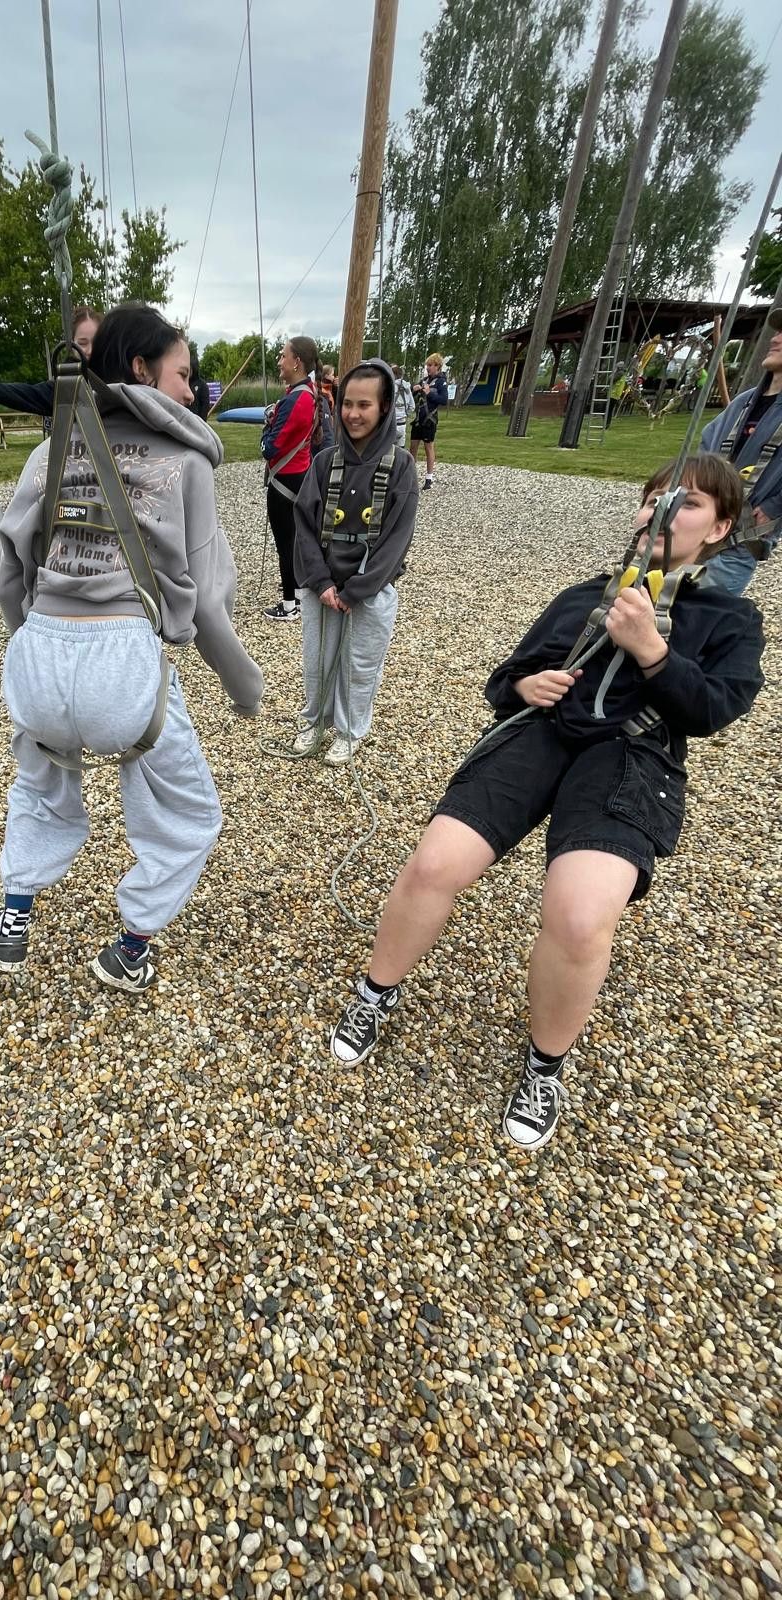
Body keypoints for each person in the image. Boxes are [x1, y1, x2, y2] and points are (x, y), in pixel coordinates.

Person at [326, 451, 763, 1152]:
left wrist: (652, 650)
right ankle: (376, 992)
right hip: (543, 733)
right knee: (434, 865)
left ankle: (544, 1066)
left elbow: (712, 709)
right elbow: (507, 678)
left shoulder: (729, 619)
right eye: (653, 499)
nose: (660, 513)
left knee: (581, 917)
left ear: (719, 528)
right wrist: (524, 687)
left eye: (685, 504)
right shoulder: (584, 596)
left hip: (630, 755)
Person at [0, 304, 263, 993]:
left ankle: (13, 918)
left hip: (38, 654)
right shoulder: (187, 462)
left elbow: (9, 572)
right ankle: (130, 947)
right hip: (122, 665)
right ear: (141, 368)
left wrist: (32, 643)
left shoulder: (49, 451)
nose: (192, 391)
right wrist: (245, 689)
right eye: (184, 374)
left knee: (41, 785)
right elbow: (206, 605)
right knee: (186, 814)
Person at [289, 359, 418, 765]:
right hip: (322, 587)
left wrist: (357, 590)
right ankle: (314, 721)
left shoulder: (401, 467)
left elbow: (397, 539)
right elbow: (304, 524)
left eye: (365, 405)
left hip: (370, 588)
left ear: (383, 408)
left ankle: (349, 730)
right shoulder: (324, 462)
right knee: (318, 661)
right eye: (347, 403)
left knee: (360, 665)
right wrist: (321, 581)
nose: (353, 414)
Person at [700, 307, 782, 596]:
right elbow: (705, 446)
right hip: (701, 527)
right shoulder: (744, 402)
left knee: (702, 612)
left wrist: (775, 507)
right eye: (777, 332)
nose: (775, 339)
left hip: (741, 540)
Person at [261, 335, 322, 622]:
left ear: (297, 361)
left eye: (283, 355)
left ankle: (289, 605)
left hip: (285, 480)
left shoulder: (296, 398)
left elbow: (270, 448)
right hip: (298, 475)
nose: (279, 361)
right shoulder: (308, 391)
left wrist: (267, 426)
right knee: (293, 541)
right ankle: (297, 593)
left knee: (286, 543)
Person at [0, 306, 104, 419]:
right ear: (71, 344)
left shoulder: (113, 376)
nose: (90, 350)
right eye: (82, 343)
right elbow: (28, 394)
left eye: (96, 341)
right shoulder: (66, 384)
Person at [411, 353, 448, 490]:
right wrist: (414, 390)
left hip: (429, 419)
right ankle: (410, 475)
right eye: (427, 365)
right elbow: (413, 396)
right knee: (413, 447)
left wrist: (430, 393)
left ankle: (429, 478)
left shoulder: (441, 382)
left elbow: (443, 400)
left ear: (437, 366)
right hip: (418, 419)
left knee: (428, 447)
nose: (428, 368)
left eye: (430, 365)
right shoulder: (424, 380)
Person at [391, 364, 415, 448]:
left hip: (391, 424)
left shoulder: (390, 387)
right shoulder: (407, 387)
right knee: (401, 450)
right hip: (402, 424)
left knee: (388, 450)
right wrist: (405, 413)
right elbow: (412, 406)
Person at [188, 342, 212, 421]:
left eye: (189, 368)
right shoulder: (183, 383)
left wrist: (201, 422)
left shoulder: (202, 385)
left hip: (197, 421)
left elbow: (205, 406)